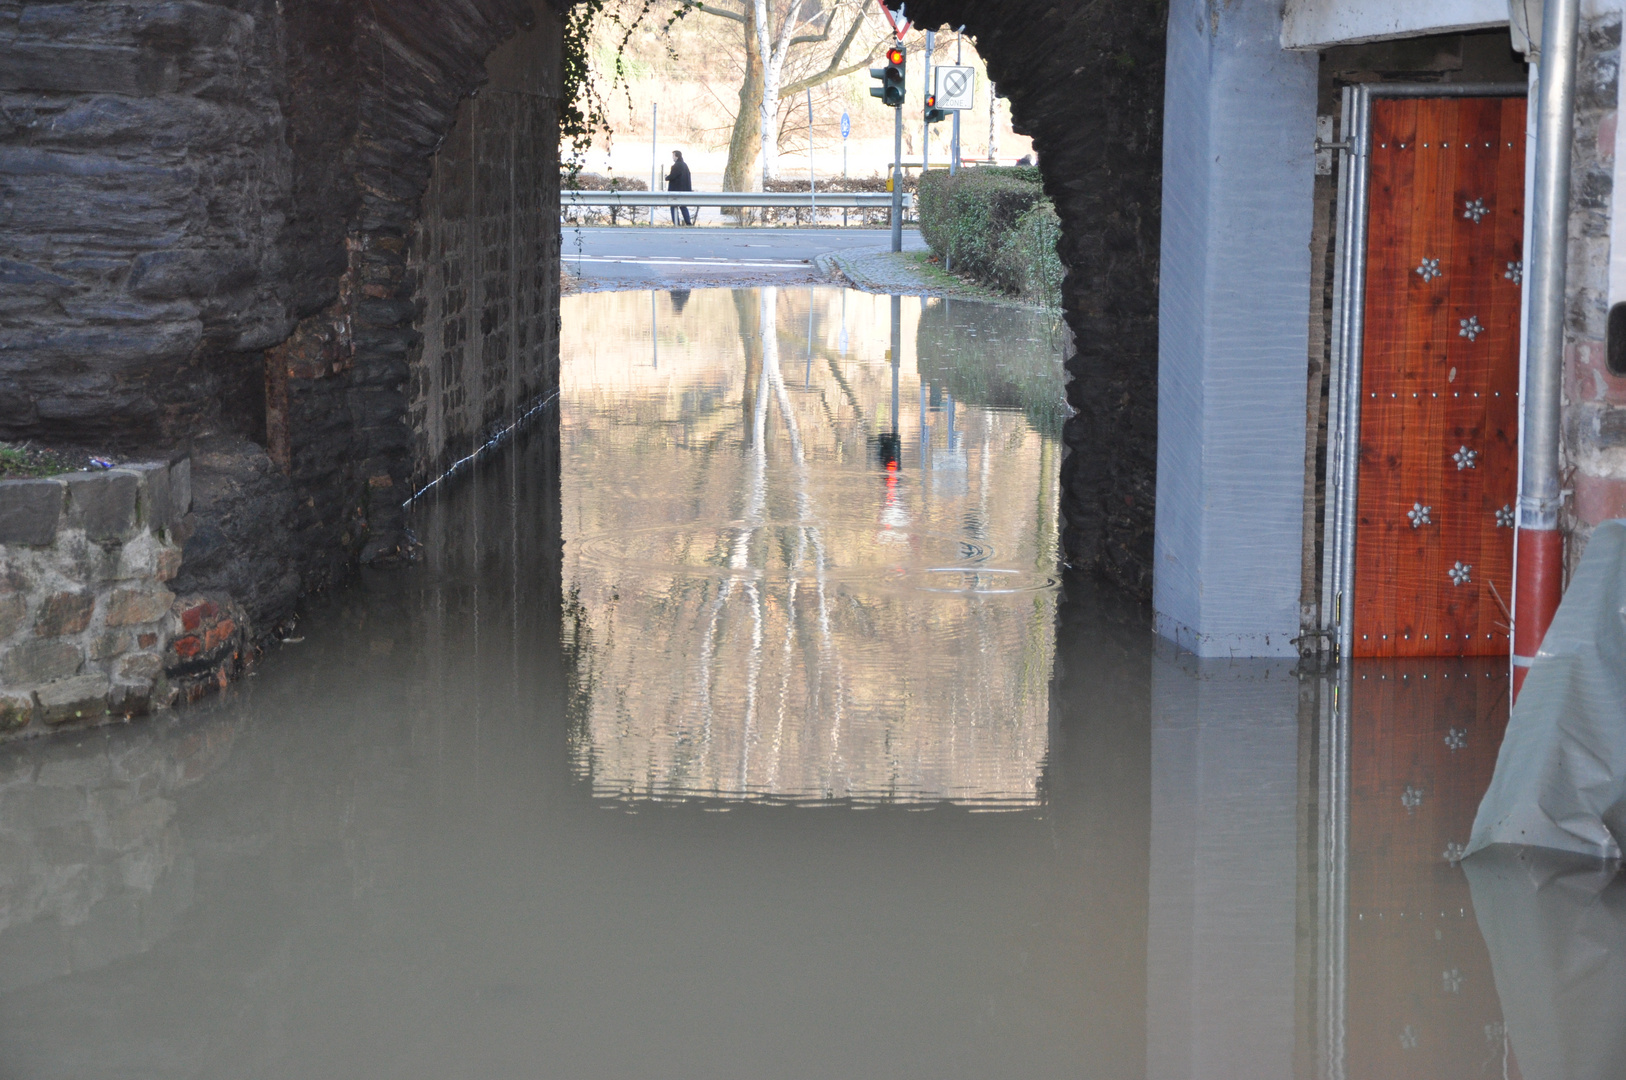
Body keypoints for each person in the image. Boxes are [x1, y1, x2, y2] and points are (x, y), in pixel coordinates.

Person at [664, 150, 694, 226]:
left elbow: (672, 176)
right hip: (684, 190)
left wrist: (666, 177)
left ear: (676, 156)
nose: (672, 158)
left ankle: (676, 223)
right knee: (683, 207)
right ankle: (688, 223)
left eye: (673, 156)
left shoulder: (676, 166)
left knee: (673, 207)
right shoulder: (685, 165)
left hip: (676, 190)